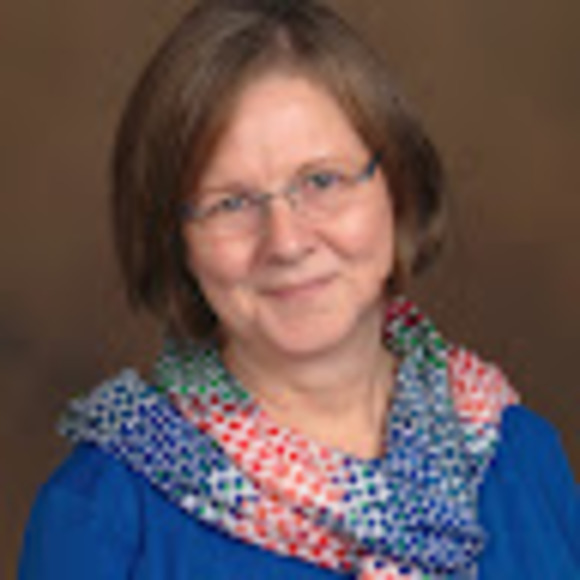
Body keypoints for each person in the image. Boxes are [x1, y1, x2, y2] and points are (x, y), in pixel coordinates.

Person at [19, 0, 579, 578]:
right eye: (230, 203)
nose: (286, 243)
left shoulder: (518, 452)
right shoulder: (101, 514)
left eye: (322, 181)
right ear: (175, 239)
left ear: (398, 184)